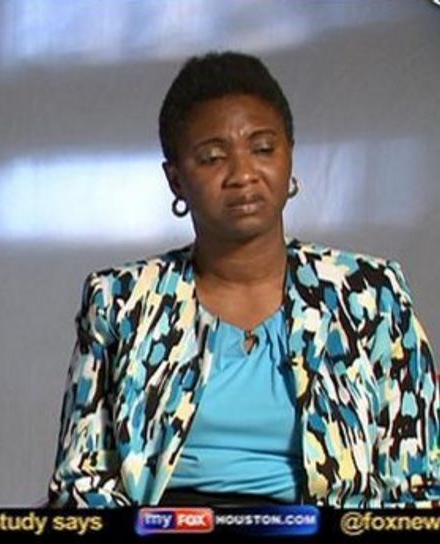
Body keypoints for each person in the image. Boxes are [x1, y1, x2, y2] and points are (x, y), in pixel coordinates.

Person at [48, 51, 439, 508]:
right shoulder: (121, 300)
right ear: (176, 180)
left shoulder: (369, 295)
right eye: (212, 157)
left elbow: (420, 483)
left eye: (263, 149)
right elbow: (81, 483)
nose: (243, 174)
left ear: (290, 157)